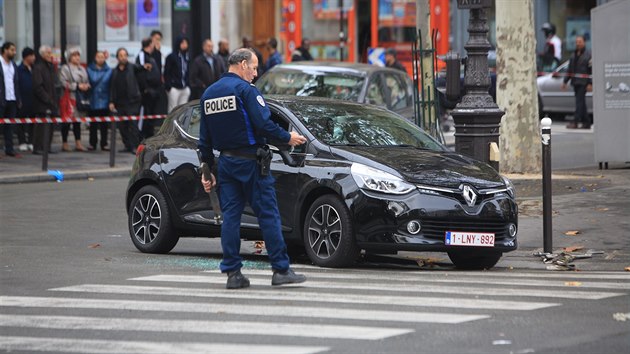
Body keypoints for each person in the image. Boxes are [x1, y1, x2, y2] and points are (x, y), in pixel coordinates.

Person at [198, 48, 307, 289]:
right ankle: (281, 269)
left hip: (226, 164)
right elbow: (263, 125)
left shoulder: (208, 95)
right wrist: (287, 138)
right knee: (268, 214)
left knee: (231, 219)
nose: (255, 74)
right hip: (251, 164)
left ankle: (233, 274)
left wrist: (208, 171)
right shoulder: (244, 90)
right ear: (243, 64)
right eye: (254, 67)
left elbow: (203, 140)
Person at [110, 47, 142, 153]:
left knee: (133, 125)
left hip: (132, 102)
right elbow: (112, 88)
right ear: (117, 58)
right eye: (121, 55)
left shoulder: (132, 67)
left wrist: (146, 66)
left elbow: (140, 68)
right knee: (122, 126)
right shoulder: (115, 71)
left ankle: (135, 146)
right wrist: (111, 101)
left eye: (125, 55)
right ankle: (127, 145)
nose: (123, 57)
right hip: (119, 103)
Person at [59, 46, 90, 152]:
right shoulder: (65, 68)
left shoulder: (82, 68)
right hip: (70, 98)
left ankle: (78, 143)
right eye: (74, 55)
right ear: (70, 57)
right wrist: (77, 86)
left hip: (80, 98)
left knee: (77, 121)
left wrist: (86, 86)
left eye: (78, 55)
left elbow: (87, 80)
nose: (77, 57)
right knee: (67, 121)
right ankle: (65, 143)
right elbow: (63, 82)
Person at [31, 45, 58, 155]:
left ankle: (47, 146)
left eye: (50, 53)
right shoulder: (38, 68)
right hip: (42, 103)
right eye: (47, 53)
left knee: (50, 126)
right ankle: (38, 147)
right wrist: (47, 99)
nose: (50, 55)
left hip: (51, 102)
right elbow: (38, 87)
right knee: (41, 126)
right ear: (42, 54)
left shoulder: (50, 67)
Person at [562, 35, 592, 129]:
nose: (578, 43)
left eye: (580, 42)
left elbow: (591, 70)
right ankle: (586, 122)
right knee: (581, 102)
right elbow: (570, 70)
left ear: (584, 42)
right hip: (575, 82)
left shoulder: (588, 55)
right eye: (577, 42)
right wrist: (565, 81)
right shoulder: (573, 55)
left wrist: (590, 83)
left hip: (584, 82)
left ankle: (575, 121)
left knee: (579, 102)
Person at [136, 38, 163, 138]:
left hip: (154, 91)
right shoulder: (142, 55)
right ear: (150, 44)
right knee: (145, 116)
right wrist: (146, 89)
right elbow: (141, 72)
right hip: (147, 92)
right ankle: (141, 136)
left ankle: (149, 136)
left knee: (151, 116)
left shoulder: (151, 56)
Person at [87, 50, 112, 151]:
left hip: (105, 99)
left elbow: (111, 86)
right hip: (93, 99)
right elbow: (91, 80)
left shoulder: (109, 70)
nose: (100, 59)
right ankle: (92, 143)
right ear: (95, 58)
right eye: (98, 57)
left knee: (104, 124)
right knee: (93, 124)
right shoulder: (89, 69)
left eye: (102, 57)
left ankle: (104, 143)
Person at [1, 41, 21, 157]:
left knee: (10, 125)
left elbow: (16, 82)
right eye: (12, 50)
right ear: (5, 50)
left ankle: (10, 149)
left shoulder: (13, 65)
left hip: (12, 98)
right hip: (1, 98)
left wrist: (18, 98)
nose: (14, 52)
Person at [164, 35, 191, 112]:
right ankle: (171, 124)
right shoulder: (171, 56)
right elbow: (167, 72)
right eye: (182, 43)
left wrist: (188, 85)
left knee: (183, 110)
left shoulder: (187, 56)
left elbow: (187, 71)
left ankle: (181, 124)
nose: (184, 45)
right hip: (174, 87)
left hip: (185, 87)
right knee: (173, 109)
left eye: (186, 43)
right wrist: (169, 86)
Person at [16, 47, 35, 152]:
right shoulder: (19, 69)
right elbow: (17, 84)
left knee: (32, 121)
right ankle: (22, 141)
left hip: (33, 98)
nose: (33, 58)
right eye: (32, 55)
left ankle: (31, 141)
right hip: (23, 97)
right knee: (21, 121)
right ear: (26, 56)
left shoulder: (34, 68)